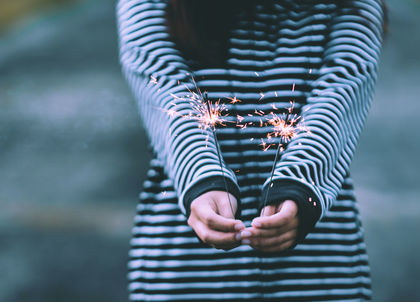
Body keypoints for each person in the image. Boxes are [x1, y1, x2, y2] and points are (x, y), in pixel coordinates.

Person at [117, 0, 385, 301]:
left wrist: (299, 185)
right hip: (187, 273)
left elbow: (342, 88)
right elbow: (164, 87)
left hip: (318, 271)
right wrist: (204, 178)